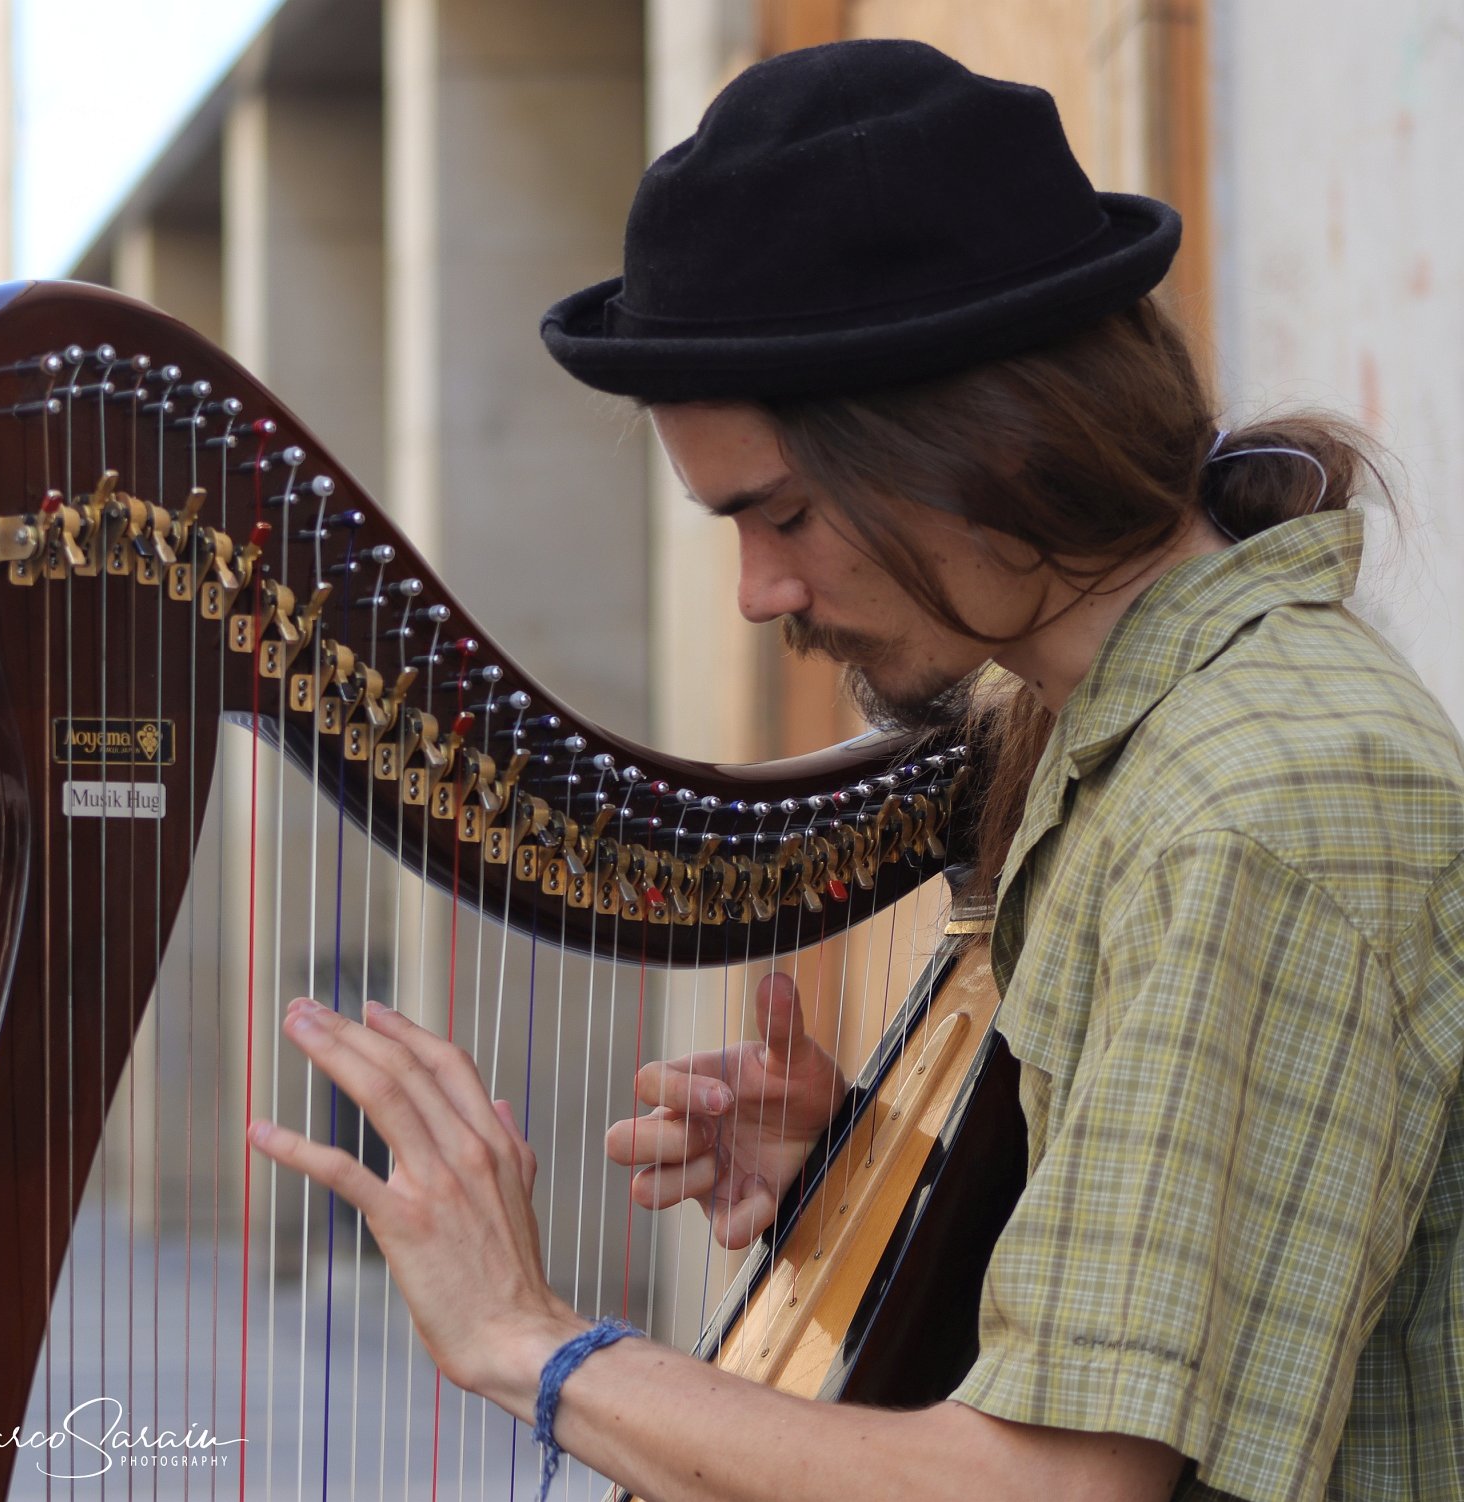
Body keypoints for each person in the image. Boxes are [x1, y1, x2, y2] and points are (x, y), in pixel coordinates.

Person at [246, 39, 1464, 1502]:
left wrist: (533, 1342)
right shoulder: (1120, 737)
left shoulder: (1253, 806)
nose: (761, 593)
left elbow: (1059, 1489)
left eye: (786, 514)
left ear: (981, 444)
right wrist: (868, 1169)